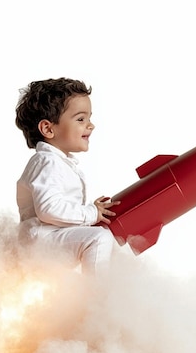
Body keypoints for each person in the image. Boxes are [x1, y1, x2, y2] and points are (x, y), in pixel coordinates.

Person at [15, 78, 119, 275]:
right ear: (48, 129)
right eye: (81, 119)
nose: (91, 126)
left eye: (89, 118)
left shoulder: (57, 162)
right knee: (99, 238)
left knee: (102, 239)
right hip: (42, 243)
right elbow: (48, 209)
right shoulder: (47, 162)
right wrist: (90, 214)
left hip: (50, 240)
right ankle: (98, 300)